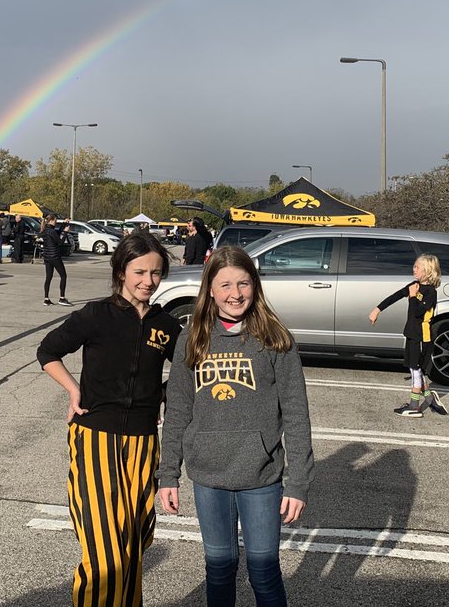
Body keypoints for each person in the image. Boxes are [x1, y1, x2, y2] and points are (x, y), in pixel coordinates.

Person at [158, 245, 313, 607]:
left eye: (243, 283)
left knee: (263, 570)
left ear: (255, 287)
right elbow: (178, 410)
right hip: (208, 477)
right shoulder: (192, 337)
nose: (235, 294)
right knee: (219, 567)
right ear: (209, 289)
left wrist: (299, 482)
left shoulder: (275, 338)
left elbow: (296, 413)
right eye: (225, 284)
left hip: (260, 478)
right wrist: (169, 474)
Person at [37, 232, 180, 607]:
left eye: (156, 273)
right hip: (95, 438)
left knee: (132, 543)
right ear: (120, 271)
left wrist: (161, 392)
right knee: (105, 553)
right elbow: (48, 350)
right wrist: (72, 389)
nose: (148, 281)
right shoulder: (96, 315)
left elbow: (187, 370)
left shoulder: (166, 325)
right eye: (139, 272)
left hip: (144, 443)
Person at [369, 253, 447, 417]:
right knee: (413, 367)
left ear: (428, 271)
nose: (414, 269)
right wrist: (377, 310)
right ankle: (429, 399)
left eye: (418, 267)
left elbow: (418, 312)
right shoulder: (415, 285)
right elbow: (396, 296)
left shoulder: (430, 292)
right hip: (412, 333)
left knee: (416, 370)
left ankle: (414, 406)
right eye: (414, 266)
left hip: (422, 337)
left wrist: (412, 297)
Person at [40, 213, 71, 306]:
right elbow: (60, 242)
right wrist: (65, 232)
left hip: (47, 257)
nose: (56, 222)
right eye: (56, 220)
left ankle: (46, 299)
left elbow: (56, 233)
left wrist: (63, 224)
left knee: (48, 277)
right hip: (55, 256)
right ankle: (62, 298)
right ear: (52, 220)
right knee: (63, 276)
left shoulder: (45, 230)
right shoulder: (51, 231)